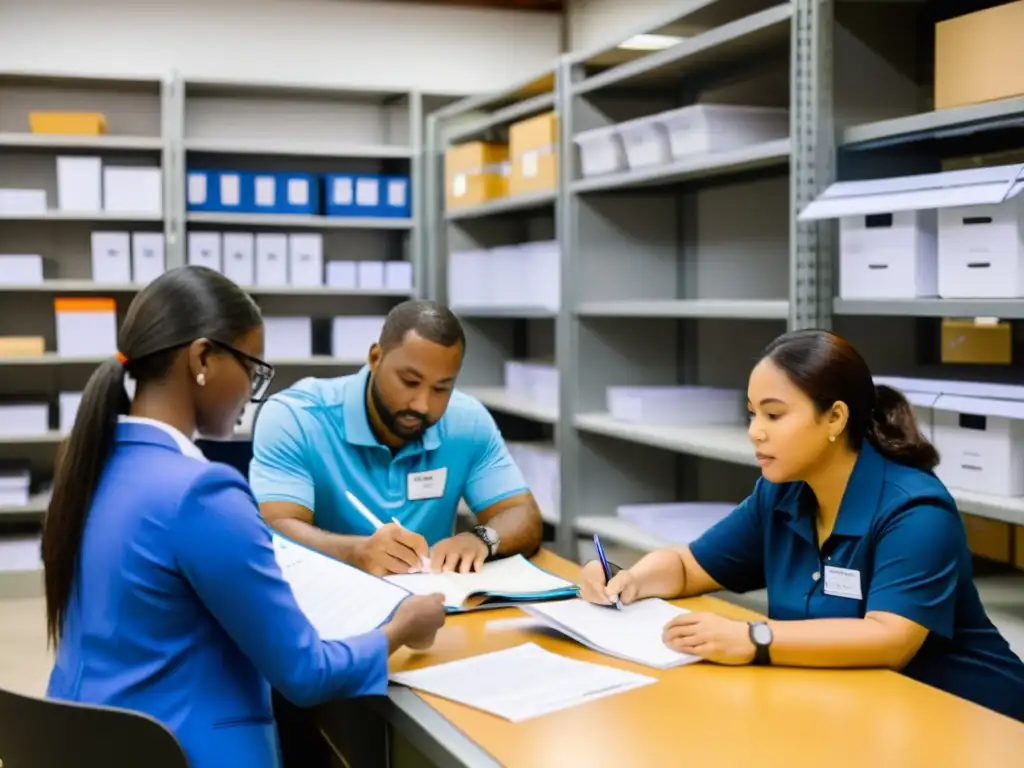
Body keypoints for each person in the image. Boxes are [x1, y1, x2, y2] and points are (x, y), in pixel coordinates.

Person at [42, 266, 447, 768]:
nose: (250, 395)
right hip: (187, 751)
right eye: (253, 371)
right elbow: (306, 673)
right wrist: (403, 625)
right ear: (204, 358)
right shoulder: (203, 492)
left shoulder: (91, 463)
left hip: (86, 746)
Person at [579, 329, 1024, 723]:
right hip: (858, 711)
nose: (755, 432)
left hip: (970, 718)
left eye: (773, 415)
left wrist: (754, 637)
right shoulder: (782, 493)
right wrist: (630, 579)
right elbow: (687, 565)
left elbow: (890, 639)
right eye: (752, 413)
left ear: (834, 418)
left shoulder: (916, 511)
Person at [250, 299, 544, 576]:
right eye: (409, 381)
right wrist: (356, 552)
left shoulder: (467, 420)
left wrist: (482, 539)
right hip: (328, 603)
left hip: (434, 604)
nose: (422, 405)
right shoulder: (296, 417)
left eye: (441, 388)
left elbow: (522, 514)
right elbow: (275, 527)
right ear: (375, 358)